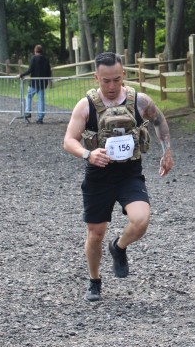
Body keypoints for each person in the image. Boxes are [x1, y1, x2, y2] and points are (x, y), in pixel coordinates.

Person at [63, 52, 174, 302]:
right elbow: (69, 140)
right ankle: (94, 280)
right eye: (106, 81)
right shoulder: (86, 106)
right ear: (96, 78)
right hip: (98, 176)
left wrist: (166, 151)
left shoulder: (139, 101)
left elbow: (159, 120)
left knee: (141, 220)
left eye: (116, 79)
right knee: (95, 233)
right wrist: (88, 154)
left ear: (123, 75)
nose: (112, 86)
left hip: (129, 173)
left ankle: (119, 246)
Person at [19, 44, 52, 123]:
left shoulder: (34, 58)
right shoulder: (46, 59)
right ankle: (40, 118)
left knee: (28, 96)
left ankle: (28, 112)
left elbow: (29, 70)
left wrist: (21, 75)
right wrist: (46, 81)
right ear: (41, 51)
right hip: (42, 83)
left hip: (34, 83)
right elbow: (49, 72)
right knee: (41, 100)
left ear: (35, 51)